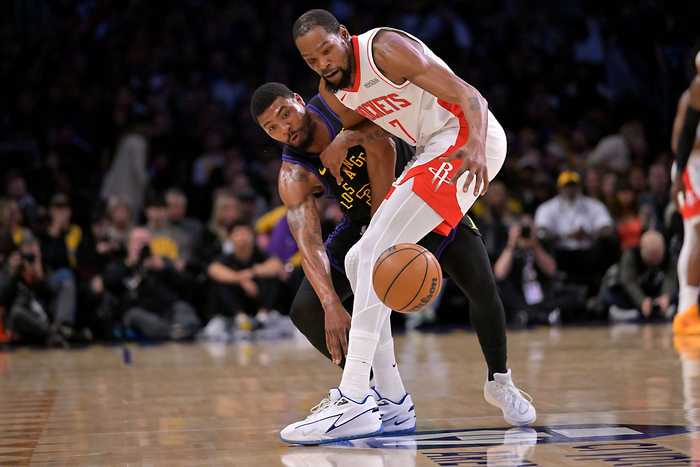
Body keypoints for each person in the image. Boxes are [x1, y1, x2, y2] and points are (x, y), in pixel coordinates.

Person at [281, 9, 534, 444]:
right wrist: (345, 137)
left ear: (344, 35)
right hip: (429, 151)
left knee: (377, 254)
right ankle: (393, 403)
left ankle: (355, 397)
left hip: (464, 139)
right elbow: (369, 127)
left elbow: (469, 95)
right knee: (359, 259)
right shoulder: (331, 90)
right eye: (311, 60)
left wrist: (476, 143)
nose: (322, 63)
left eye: (326, 50)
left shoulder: (384, 50)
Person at [251, 82, 512, 435]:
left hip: (419, 199)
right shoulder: (293, 172)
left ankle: (500, 380)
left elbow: (384, 145)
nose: (285, 128)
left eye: (285, 114)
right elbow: (308, 241)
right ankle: (381, 395)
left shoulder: (336, 106)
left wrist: (382, 235)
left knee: (482, 288)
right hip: (362, 220)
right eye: (272, 128)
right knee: (307, 308)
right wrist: (331, 303)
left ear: (298, 101)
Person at [671, 51, 700, 336]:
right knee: (696, 235)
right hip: (693, 167)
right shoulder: (693, 93)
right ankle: (686, 311)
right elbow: (679, 140)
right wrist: (678, 175)